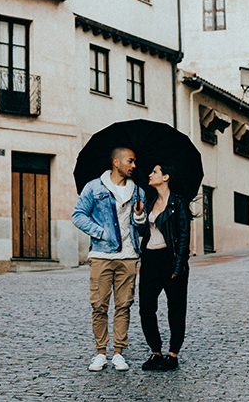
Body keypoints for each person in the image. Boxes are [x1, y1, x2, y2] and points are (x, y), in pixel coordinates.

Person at [71, 147, 146, 372]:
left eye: (135, 162)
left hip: (129, 256)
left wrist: (139, 215)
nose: (134, 165)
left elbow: (140, 227)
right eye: (130, 161)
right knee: (99, 305)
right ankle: (100, 352)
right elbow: (78, 215)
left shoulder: (138, 191)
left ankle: (118, 353)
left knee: (124, 305)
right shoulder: (94, 187)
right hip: (101, 255)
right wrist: (100, 232)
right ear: (116, 161)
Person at [134, 163, 191, 371]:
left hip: (171, 259)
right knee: (146, 308)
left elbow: (184, 236)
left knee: (175, 309)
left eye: (155, 172)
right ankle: (156, 352)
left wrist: (179, 265)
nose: (150, 174)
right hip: (150, 259)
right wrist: (139, 214)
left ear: (166, 176)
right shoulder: (149, 201)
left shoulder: (178, 203)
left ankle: (173, 354)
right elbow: (142, 230)